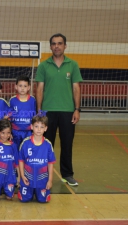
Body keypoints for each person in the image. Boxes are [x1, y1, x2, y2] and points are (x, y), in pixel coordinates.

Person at [35, 33, 83, 186]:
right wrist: (39, 111)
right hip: (47, 112)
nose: (57, 46)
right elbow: (40, 88)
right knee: (44, 144)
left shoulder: (73, 64)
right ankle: (42, 173)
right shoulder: (43, 65)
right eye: (54, 43)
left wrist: (77, 109)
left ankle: (67, 174)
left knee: (67, 143)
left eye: (60, 43)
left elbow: (76, 88)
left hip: (68, 111)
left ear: (65, 46)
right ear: (50, 47)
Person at [18, 115, 56, 203]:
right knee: (25, 200)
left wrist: (50, 180)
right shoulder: (25, 143)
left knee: (43, 200)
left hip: (42, 179)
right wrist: (22, 176)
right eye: (36, 126)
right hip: (28, 178)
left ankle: (39, 191)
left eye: (42, 127)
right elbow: (21, 161)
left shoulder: (48, 144)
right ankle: (28, 191)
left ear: (46, 128)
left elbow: (51, 163)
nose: (39, 129)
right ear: (31, 127)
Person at [9, 75, 36, 149]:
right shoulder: (12, 100)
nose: (22, 88)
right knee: (16, 153)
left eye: (25, 86)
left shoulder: (32, 100)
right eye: (20, 86)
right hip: (15, 132)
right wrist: (9, 131)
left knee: (27, 153)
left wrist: (34, 130)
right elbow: (8, 117)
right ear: (16, 87)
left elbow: (35, 117)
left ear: (29, 87)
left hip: (28, 132)